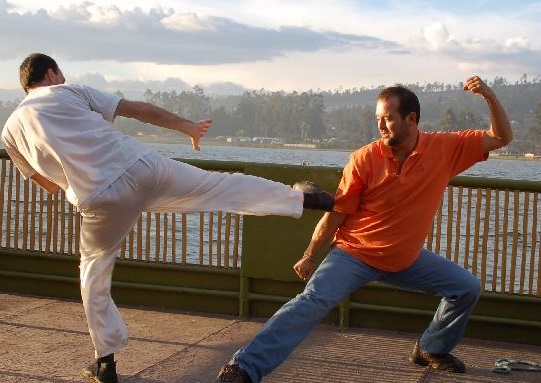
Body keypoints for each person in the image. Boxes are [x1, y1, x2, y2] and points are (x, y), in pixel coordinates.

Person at [1, 53, 334, 383]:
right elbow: (139, 110)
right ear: (51, 73)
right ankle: (303, 197)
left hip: (100, 199)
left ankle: (105, 362)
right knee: (220, 186)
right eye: (59, 73)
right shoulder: (70, 91)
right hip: (141, 166)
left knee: (93, 278)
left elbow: (47, 185)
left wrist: (71, 169)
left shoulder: (10, 131)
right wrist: (187, 127)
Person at [214, 76, 513, 382]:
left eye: (388, 119)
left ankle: (431, 348)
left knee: (466, 288)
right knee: (311, 301)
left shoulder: (446, 148)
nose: (381, 127)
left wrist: (488, 95)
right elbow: (337, 214)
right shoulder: (363, 159)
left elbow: (501, 137)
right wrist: (309, 254)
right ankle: (243, 369)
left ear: (411, 118)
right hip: (354, 254)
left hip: (405, 259)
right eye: (378, 119)